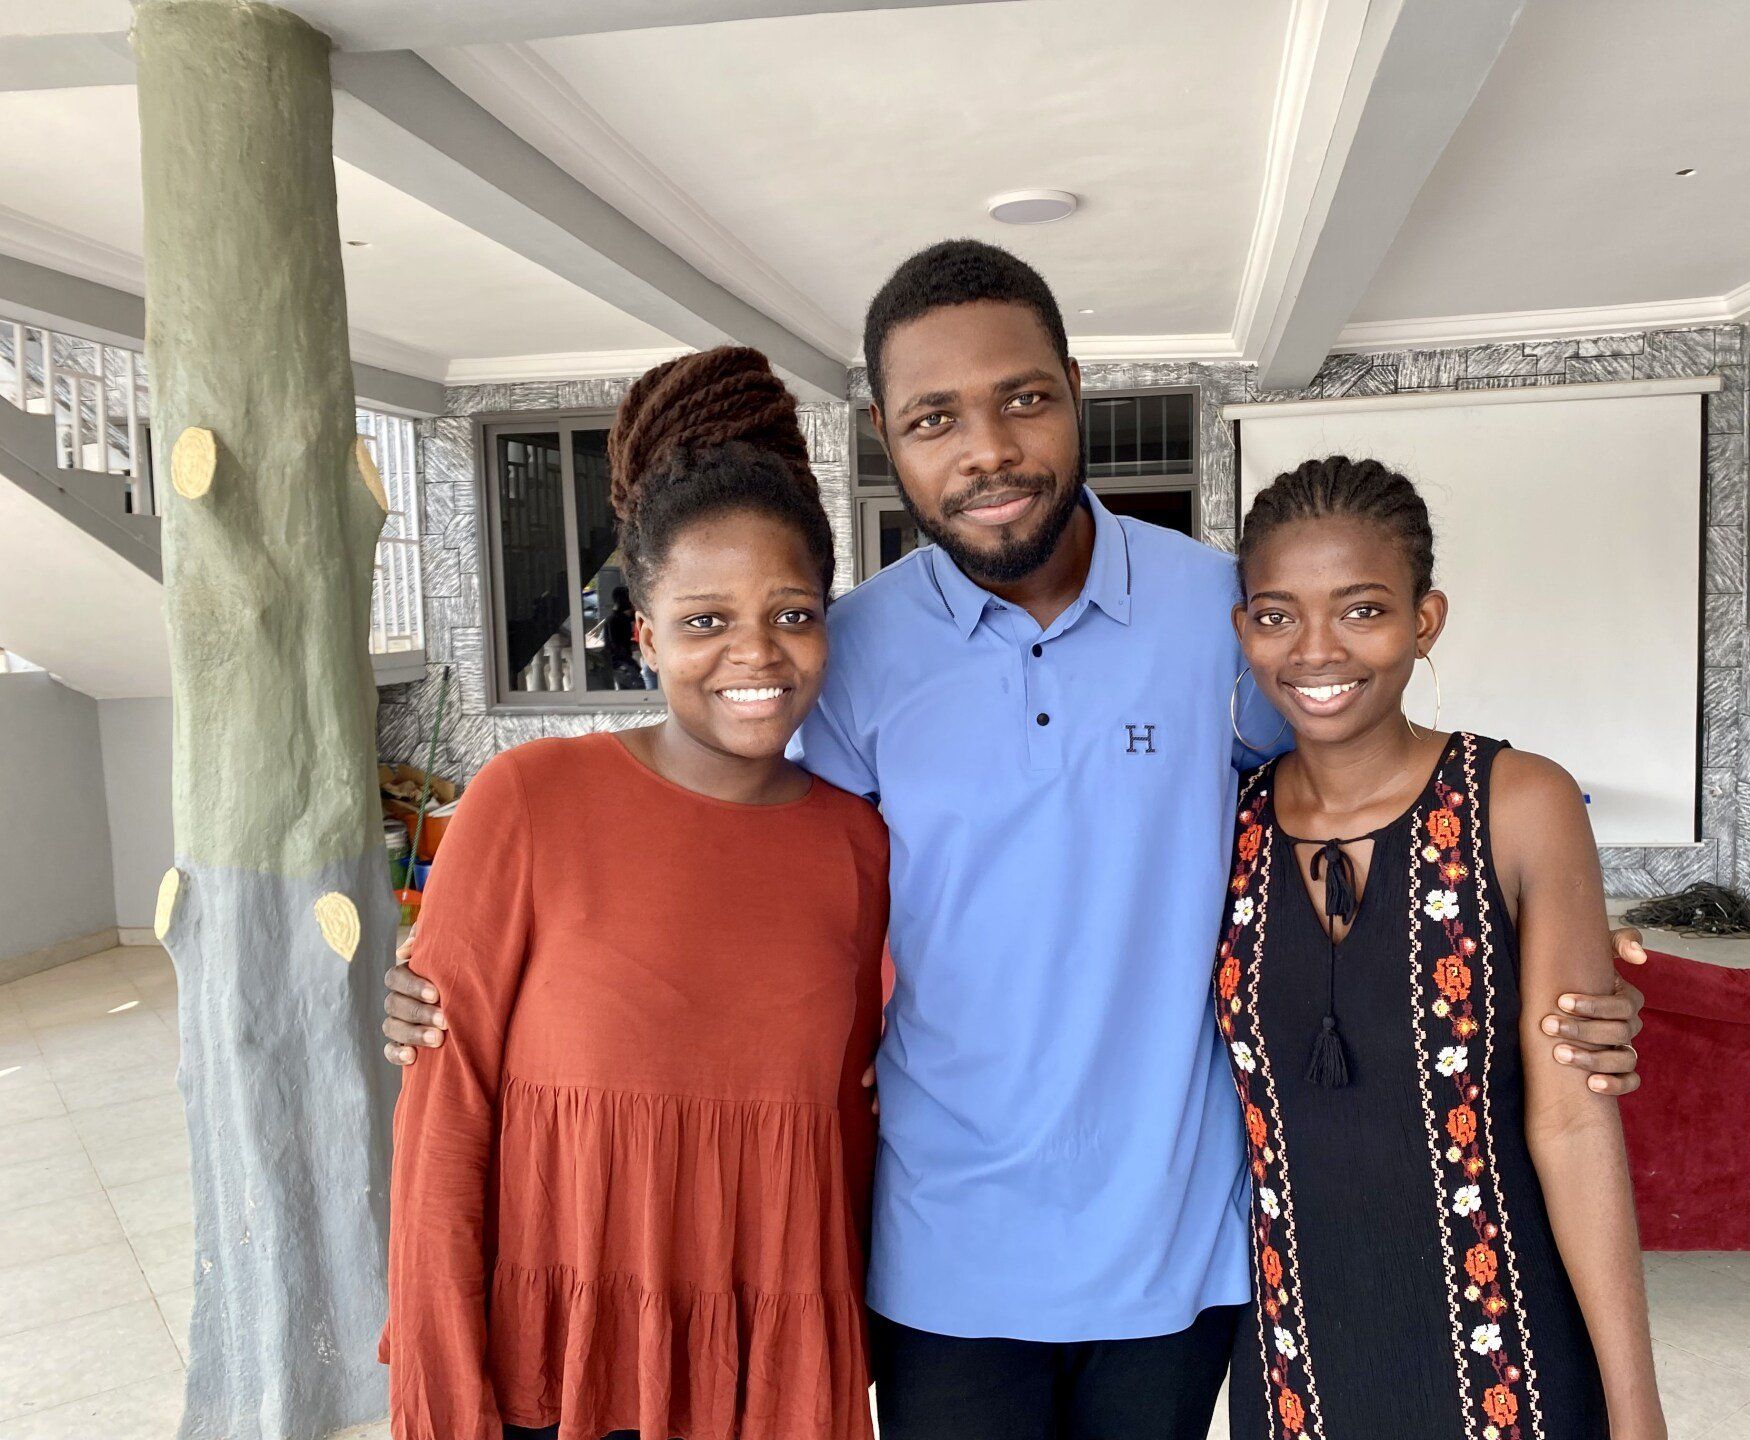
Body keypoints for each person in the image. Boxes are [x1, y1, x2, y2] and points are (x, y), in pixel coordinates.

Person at [383, 241, 1650, 1440]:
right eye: (935, 418)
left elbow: (1359, 789)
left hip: (1178, 1245)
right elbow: (747, 864)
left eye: (1024, 400)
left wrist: (1551, 942)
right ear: (887, 437)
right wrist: (489, 985)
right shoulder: (848, 652)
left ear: (1075, 392)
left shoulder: (1221, 613)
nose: (988, 449)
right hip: (942, 1254)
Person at [381, 347, 888, 1440]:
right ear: (646, 636)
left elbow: (848, 1127)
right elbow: (442, 1124)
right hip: (554, 1371)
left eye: (791, 614)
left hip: (765, 1369)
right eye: (705, 622)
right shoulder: (527, 800)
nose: (756, 654)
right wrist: (440, 1386)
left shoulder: (858, 844)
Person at [1218, 456, 1664, 1439]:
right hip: (1297, 1366)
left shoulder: (1520, 803)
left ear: (1426, 620)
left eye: (1363, 609)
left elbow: (1574, 1124)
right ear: (1244, 627)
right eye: (1278, 614)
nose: (1317, 650)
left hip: (1507, 1354)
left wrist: (1636, 1410)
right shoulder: (1221, 826)